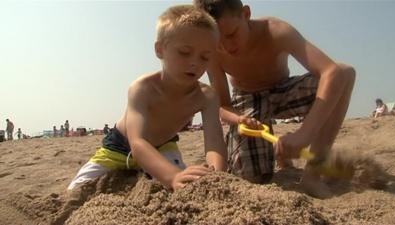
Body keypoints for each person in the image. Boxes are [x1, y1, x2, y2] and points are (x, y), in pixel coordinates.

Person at [194, 0, 356, 196]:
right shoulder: (212, 53)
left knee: (346, 73)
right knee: (252, 178)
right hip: (247, 102)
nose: (227, 46)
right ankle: (279, 155)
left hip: (283, 90)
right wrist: (239, 119)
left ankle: (313, 173)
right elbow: (222, 105)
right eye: (218, 40)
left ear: (246, 14)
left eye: (231, 34)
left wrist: (304, 134)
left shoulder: (276, 31)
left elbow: (332, 72)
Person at [68, 5, 227, 191]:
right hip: (120, 147)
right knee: (76, 190)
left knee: (187, 186)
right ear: (160, 49)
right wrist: (173, 175)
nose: (195, 62)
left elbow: (215, 142)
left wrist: (217, 175)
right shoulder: (143, 88)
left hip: (163, 147)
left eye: (205, 57)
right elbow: (138, 142)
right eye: (184, 52)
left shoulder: (206, 96)